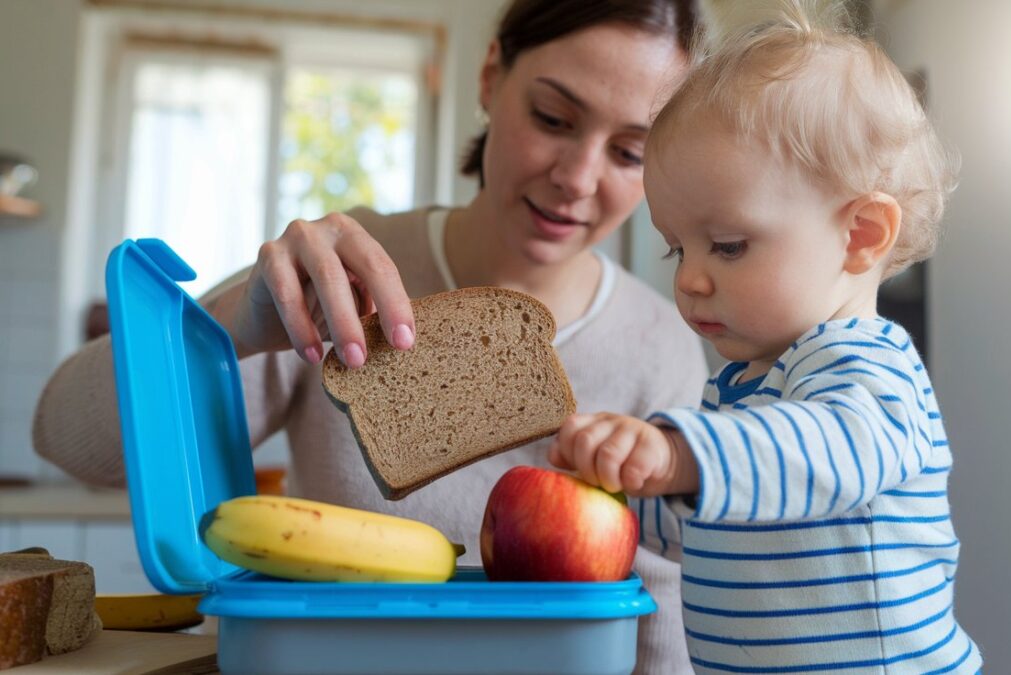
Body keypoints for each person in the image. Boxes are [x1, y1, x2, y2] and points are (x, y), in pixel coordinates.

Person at [33, 0, 708, 672]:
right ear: (491, 76)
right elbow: (64, 438)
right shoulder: (338, 276)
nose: (578, 178)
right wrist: (232, 325)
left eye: (629, 152)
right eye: (553, 118)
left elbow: (662, 616)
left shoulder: (663, 346)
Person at [547, 1, 983, 672]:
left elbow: (835, 453)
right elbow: (716, 514)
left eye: (726, 245)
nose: (689, 279)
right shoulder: (744, 393)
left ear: (860, 235)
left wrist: (680, 456)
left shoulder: (871, 367)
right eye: (676, 251)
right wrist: (621, 480)